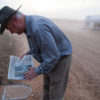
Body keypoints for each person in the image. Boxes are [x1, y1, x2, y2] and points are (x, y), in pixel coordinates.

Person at [0, 5, 72, 100]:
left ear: (16, 21)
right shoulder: (29, 25)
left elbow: (54, 57)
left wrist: (36, 71)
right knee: (47, 87)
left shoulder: (38, 28)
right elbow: (40, 45)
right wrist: (28, 53)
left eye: (10, 29)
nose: (12, 32)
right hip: (49, 57)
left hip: (60, 59)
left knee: (55, 92)